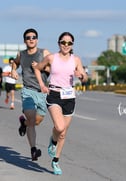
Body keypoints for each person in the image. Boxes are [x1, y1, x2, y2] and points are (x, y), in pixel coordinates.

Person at [32, 32, 88, 175]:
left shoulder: (76, 60)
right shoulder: (51, 58)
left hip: (69, 97)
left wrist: (82, 76)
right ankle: (53, 139)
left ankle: (55, 161)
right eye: (63, 42)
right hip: (54, 95)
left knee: (62, 133)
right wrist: (42, 85)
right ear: (59, 43)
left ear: (72, 45)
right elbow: (37, 68)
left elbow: (85, 78)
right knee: (59, 126)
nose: (66, 45)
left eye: (69, 43)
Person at [10, 28, 50, 161]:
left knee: (37, 121)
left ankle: (24, 123)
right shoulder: (21, 54)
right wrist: (13, 70)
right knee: (32, 120)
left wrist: (41, 66)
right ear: (24, 40)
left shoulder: (44, 53)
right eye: (28, 37)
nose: (31, 39)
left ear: (37, 40)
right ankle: (33, 150)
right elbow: (15, 63)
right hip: (28, 91)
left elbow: (53, 69)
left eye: (33, 37)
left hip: (42, 92)